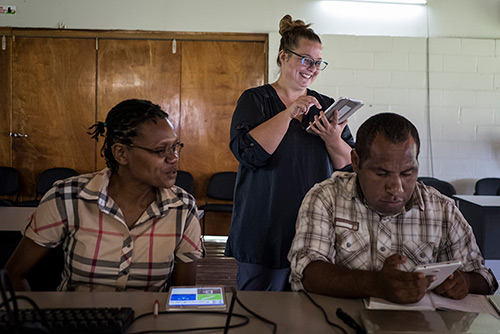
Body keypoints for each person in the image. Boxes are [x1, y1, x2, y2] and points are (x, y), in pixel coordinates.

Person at [288, 112, 498, 303]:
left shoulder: (442, 209)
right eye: (381, 173)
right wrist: (375, 284)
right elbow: (307, 272)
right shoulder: (326, 198)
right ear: (355, 161)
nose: (396, 188)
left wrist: (465, 282)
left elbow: (486, 279)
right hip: (343, 323)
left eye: (407, 173)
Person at [5, 99, 203, 292]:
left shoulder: (183, 208)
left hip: (150, 323)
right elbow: (12, 275)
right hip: (77, 322)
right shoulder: (67, 198)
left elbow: (183, 296)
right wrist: (31, 322)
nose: (173, 158)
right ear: (121, 154)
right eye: (161, 150)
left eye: (175, 147)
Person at [225, 14, 355, 291]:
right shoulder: (255, 100)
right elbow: (250, 153)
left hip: (316, 226)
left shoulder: (326, 106)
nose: (313, 68)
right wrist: (288, 113)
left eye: (318, 63)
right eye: (306, 60)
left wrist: (333, 138)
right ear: (283, 56)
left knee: (309, 314)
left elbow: (349, 166)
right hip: (264, 226)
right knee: (257, 312)